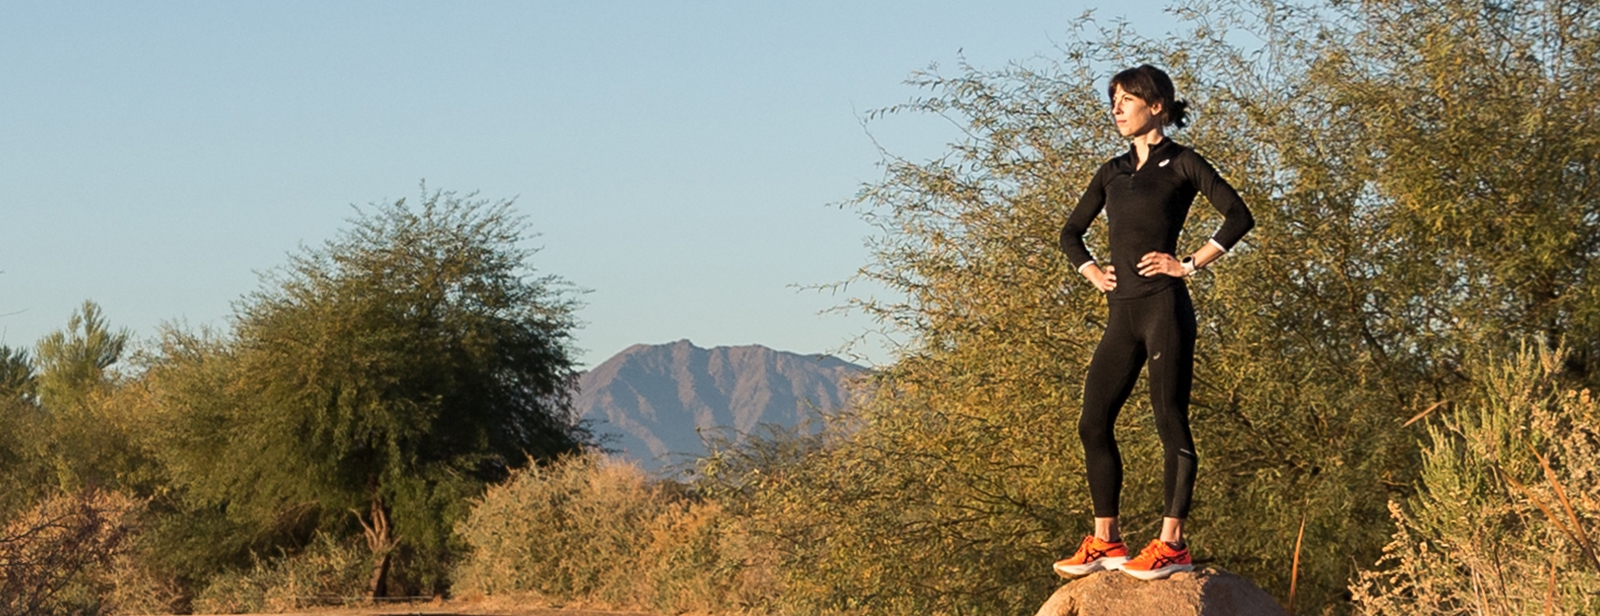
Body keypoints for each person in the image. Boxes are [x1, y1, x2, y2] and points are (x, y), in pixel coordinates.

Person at [1050, 64, 1254, 581]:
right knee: (1092, 422)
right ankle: (1105, 540)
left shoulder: (1182, 163)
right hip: (1123, 313)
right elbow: (1071, 233)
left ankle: (1172, 544)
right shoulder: (1111, 172)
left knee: (1170, 420)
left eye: (1126, 99)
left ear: (1156, 105)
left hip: (1165, 305)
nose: (1116, 108)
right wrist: (1093, 271)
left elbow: (1238, 215)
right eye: (1113, 100)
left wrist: (1187, 264)